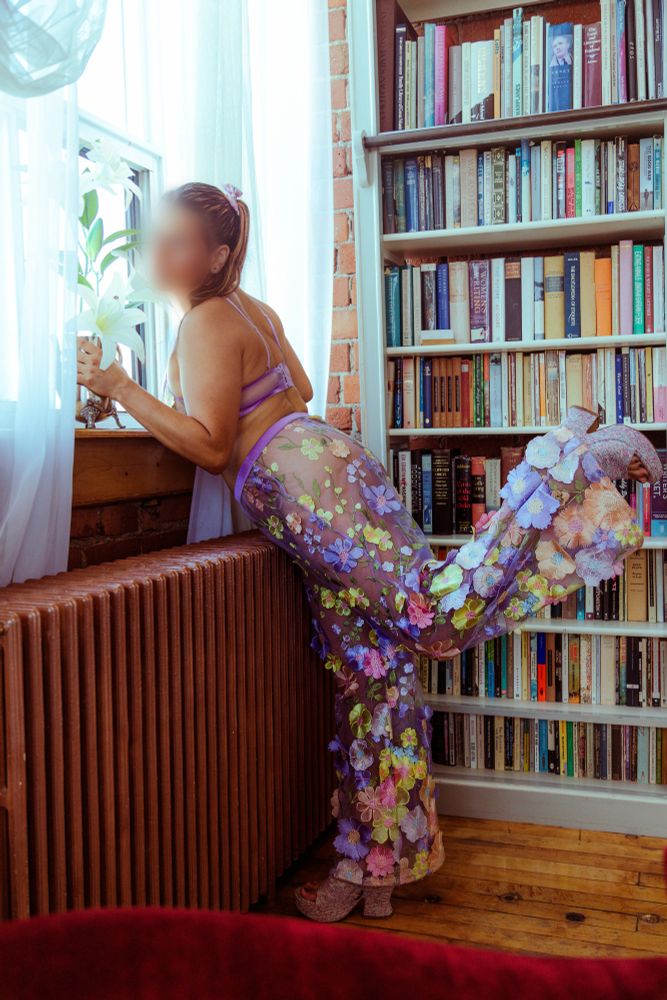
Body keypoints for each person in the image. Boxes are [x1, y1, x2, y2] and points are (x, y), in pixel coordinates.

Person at [77, 182, 662, 923]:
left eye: (177, 241)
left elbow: (212, 444)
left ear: (216, 255)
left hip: (301, 486)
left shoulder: (205, 320)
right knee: (372, 675)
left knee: (434, 620)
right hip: (325, 462)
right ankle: (371, 864)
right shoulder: (252, 309)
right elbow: (304, 385)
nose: (157, 253)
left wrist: (119, 385)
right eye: (154, 237)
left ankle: (569, 460)